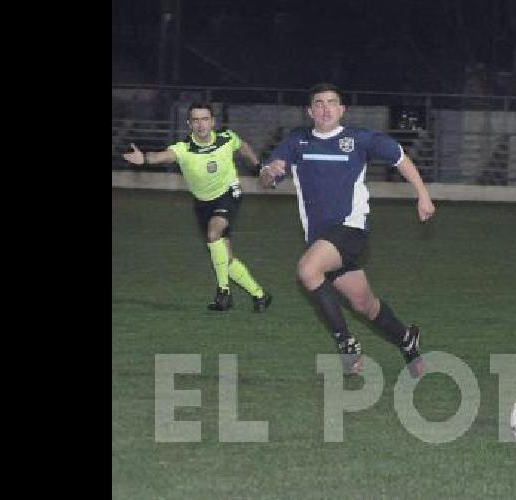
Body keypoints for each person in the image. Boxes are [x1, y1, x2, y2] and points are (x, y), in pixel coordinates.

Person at [260, 83, 435, 378]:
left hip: (351, 230)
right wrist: (270, 172)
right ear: (310, 111)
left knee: (307, 270)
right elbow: (268, 177)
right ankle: (407, 340)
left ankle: (347, 345)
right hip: (321, 240)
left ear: (342, 110)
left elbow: (399, 157)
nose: (326, 108)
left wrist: (423, 194)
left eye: (332, 103)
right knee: (364, 304)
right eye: (319, 103)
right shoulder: (297, 141)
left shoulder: (358, 139)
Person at [123, 103, 272, 312]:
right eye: (195, 120)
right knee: (225, 257)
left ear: (212, 122)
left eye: (204, 119)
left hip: (229, 194)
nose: (200, 124)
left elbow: (244, 147)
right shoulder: (183, 149)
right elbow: (161, 156)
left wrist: (259, 167)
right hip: (202, 204)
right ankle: (260, 295)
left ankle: (223, 292)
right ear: (189, 124)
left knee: (214, 233)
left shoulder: (227, 138)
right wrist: (144, 158)